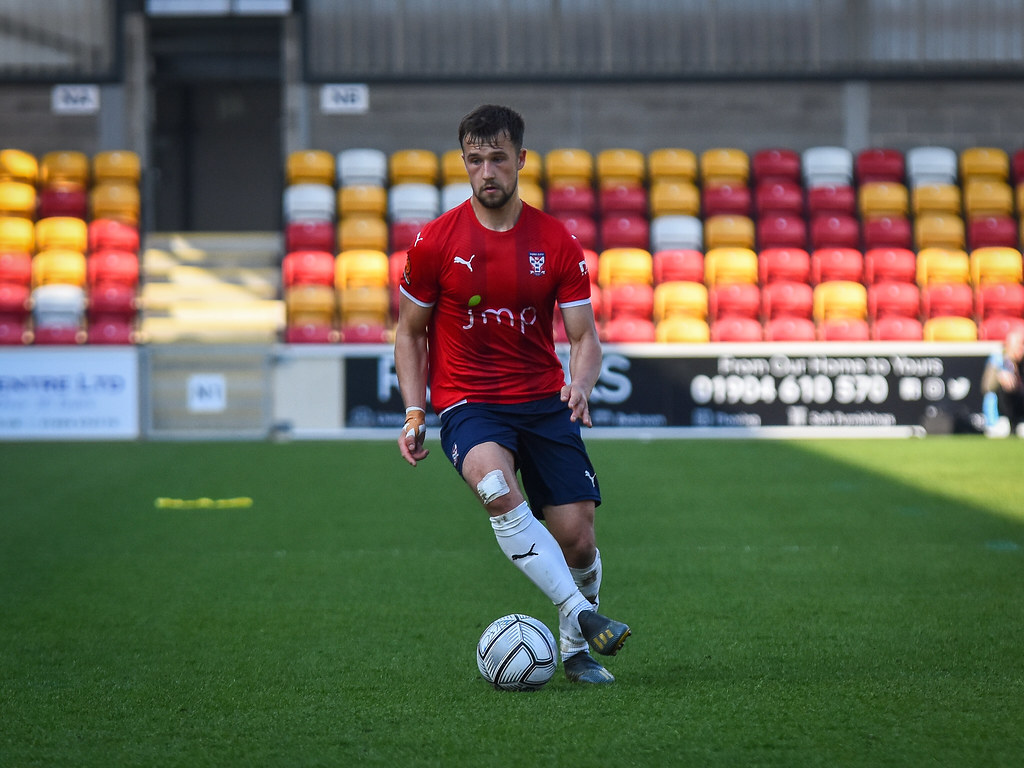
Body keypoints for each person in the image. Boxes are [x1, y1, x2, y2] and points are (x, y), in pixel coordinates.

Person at [394, 104, 630, 684]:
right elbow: (408, 331)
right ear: (464, 164)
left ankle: (574, 649)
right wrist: (415, 409)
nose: (486, 172)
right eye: (475, 161)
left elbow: (585, 339)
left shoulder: (555, 241)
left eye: (497, 159)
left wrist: (580, 382)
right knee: (496, 487)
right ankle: (582, 615)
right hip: (470, 403)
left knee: (577, 538)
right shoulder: (435, 242)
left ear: (521, 160)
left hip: (544, 404)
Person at [982, 327, 1024, 437]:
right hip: (1002, 413)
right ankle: (997, 422)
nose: (1021, 349)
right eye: (1019, 345)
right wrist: (999, 376)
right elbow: (987, 387)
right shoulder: (998, 359)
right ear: (1008, 345)